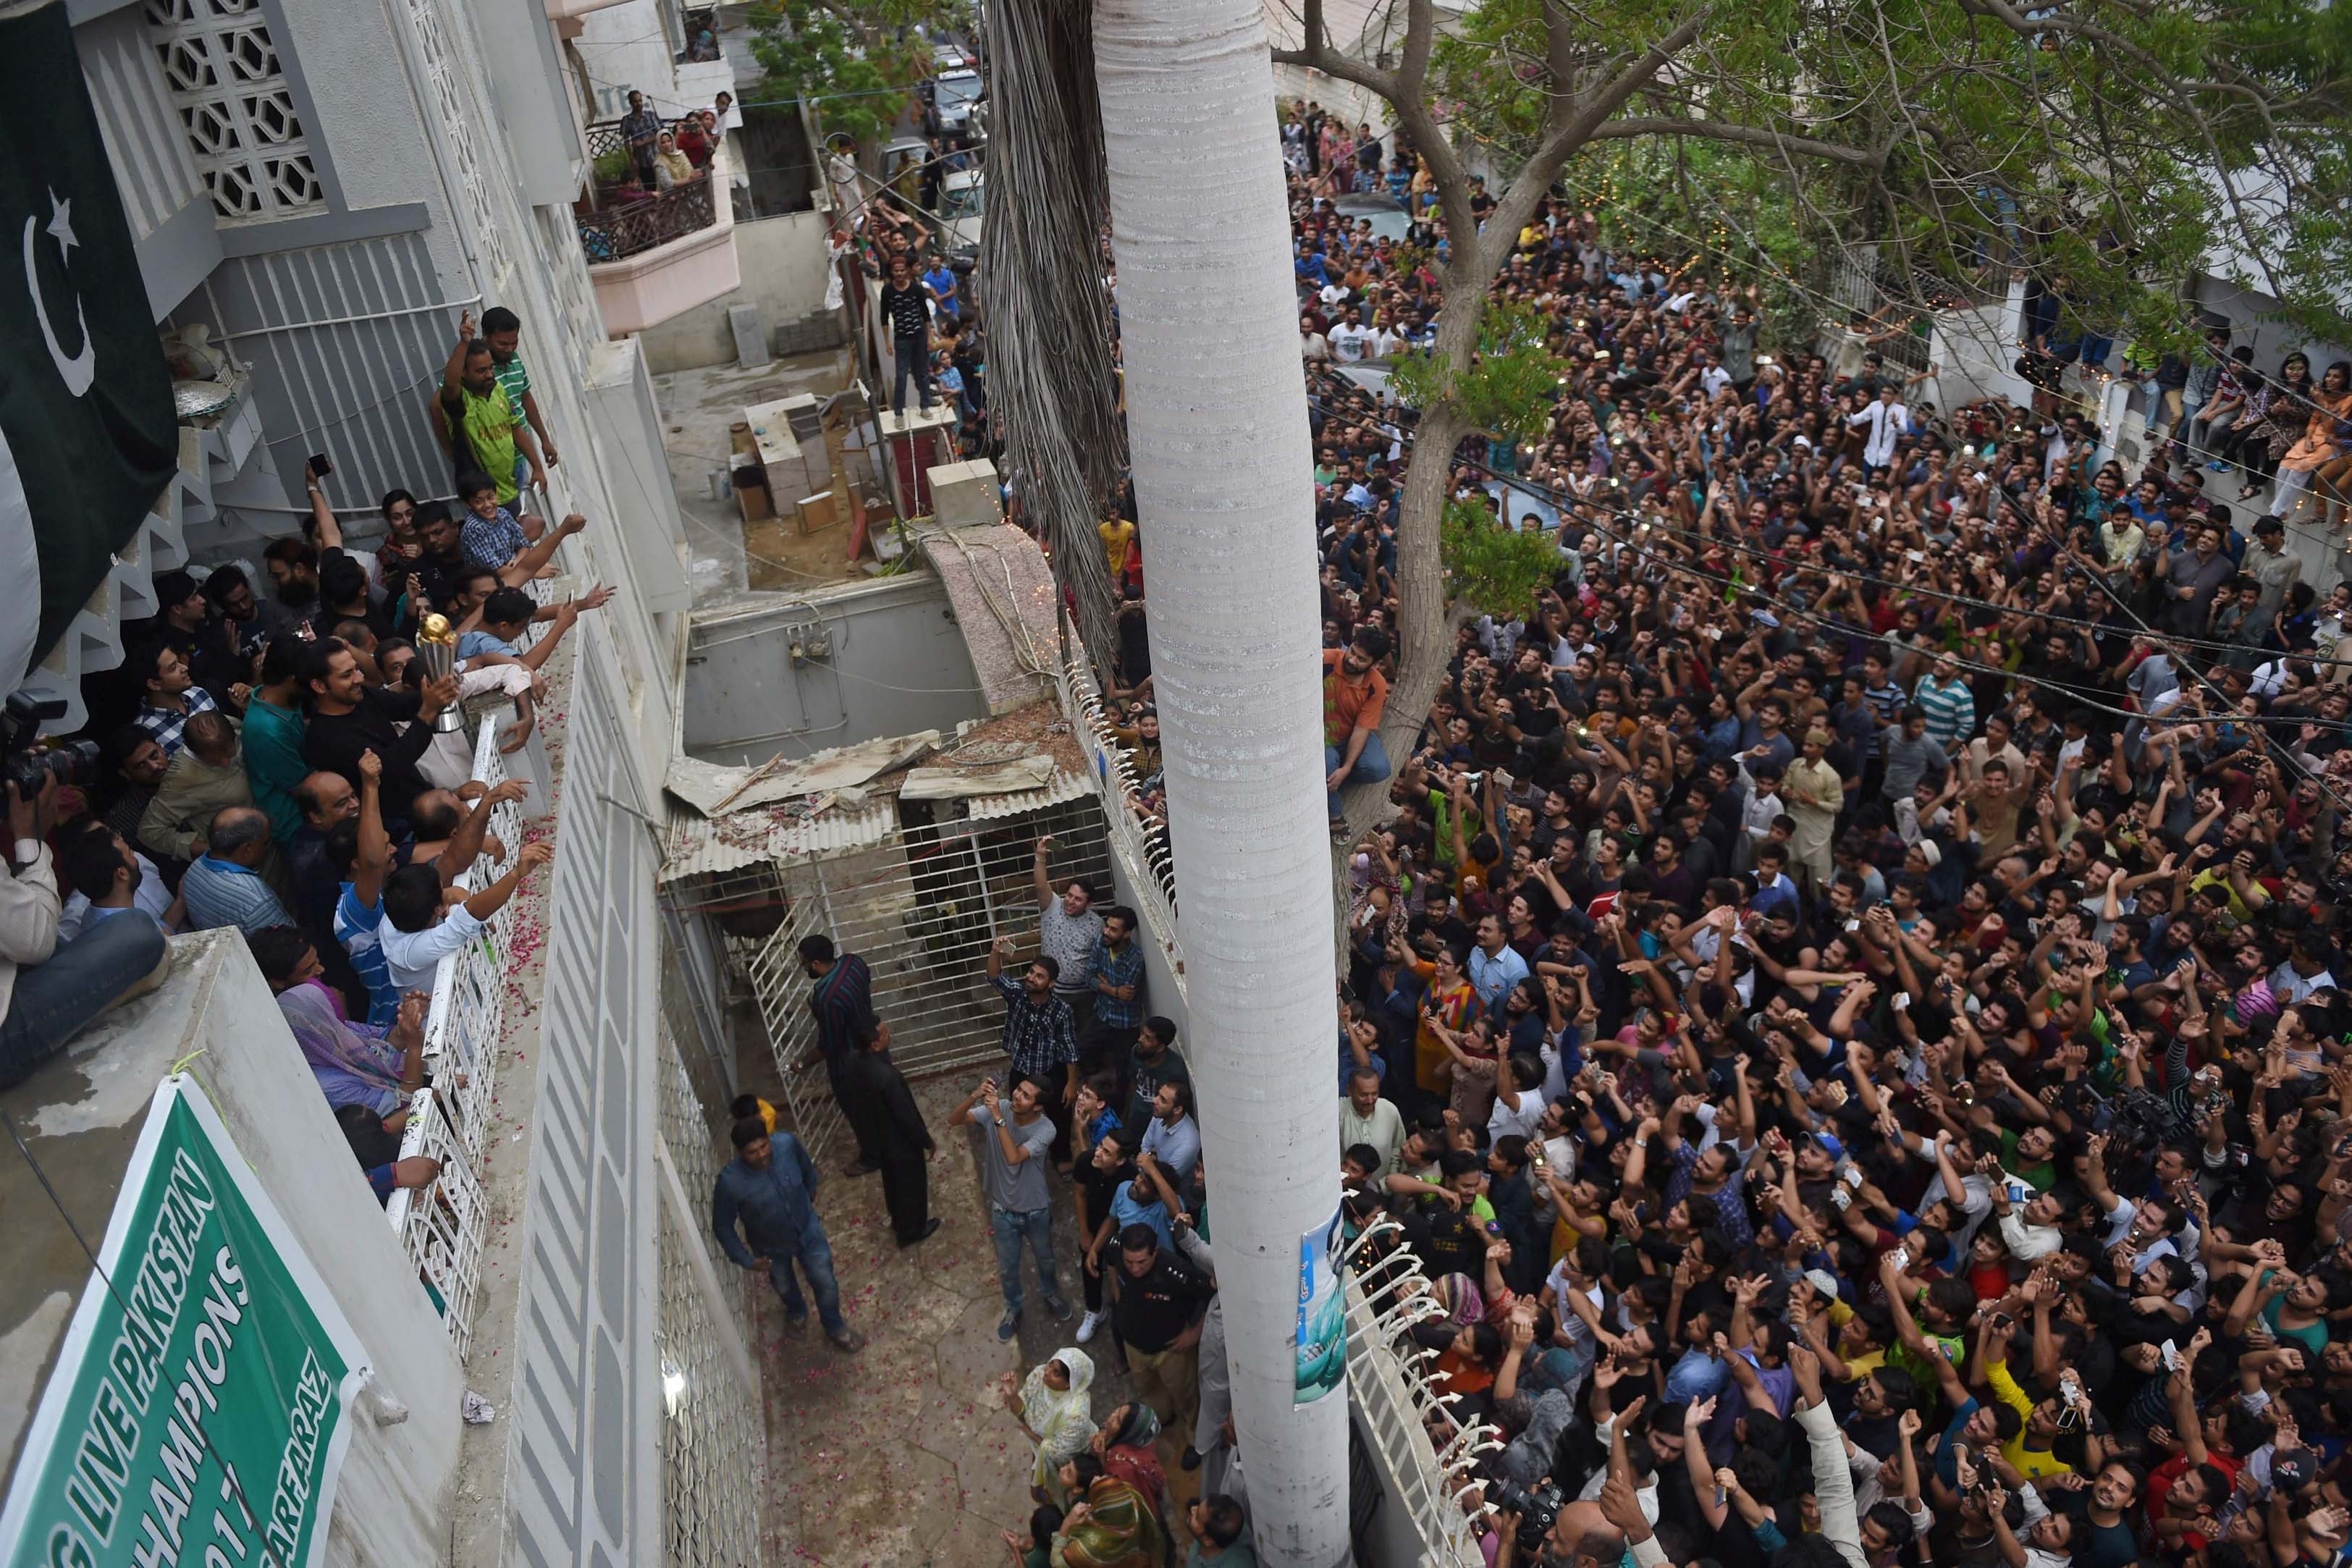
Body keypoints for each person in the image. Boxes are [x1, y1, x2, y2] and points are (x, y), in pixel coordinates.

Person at [0, 775, 170, 1091]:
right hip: (5, 1031)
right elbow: (36, 944)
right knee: (139, 931)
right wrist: (30, 838)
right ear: (121, 872)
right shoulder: (82, 915)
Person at [712, 1116, 863, 1353]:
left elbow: (807, 1169)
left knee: (826, 1282)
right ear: (740, 1153)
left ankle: (835, 1327)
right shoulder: (730, 1184)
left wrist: (810, 1192)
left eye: (764, 1146)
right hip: (770, 1248)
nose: (761, 1155)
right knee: (784, 1286)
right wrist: (747, 1260)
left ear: (770, 1140)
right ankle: (797, 1313)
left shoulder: (787, 1144)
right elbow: (722, 1226)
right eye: (752, 1152)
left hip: (808, 1234)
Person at [951, 1074, 1071, 1340]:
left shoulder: (1046, 1129)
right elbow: (954, 1120)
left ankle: (1050, 1293)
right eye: (1019, 1089)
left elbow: (1014, 1157)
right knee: (1007, 1267)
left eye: (1026, 1095)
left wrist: (998, 1119)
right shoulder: (1002, 1107)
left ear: (1038, 1106)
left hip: (1036, 1209)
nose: (1017, 1096)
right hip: (1002, 1210)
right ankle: (1013, 1309)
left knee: (1046, 1258)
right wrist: (974, 1095)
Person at [1107, 1221, 1210, 1458]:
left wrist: (1194, 1334)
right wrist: (1115, 1288)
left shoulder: (1175, 1271)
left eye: (1142, 1262)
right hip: (1133, 1345)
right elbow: (1110, 1260)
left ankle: (1195, 1437)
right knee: (1147, 1390)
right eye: (1129, 1262)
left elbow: (1210, 1295)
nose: (1134, 1269)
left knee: (1187, 1397)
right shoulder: (1116, 1250)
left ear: (1154, 1252)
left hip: (1171, 1349)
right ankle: (1161, 1417)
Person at [842, 1016, 939, 1246]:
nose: (890, 1035)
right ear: (875, 1044)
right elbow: (906, 1115)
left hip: (877, 1137)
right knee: (911, 1186)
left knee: (893, 1183)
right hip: (900, 1142)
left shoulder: (853, 1061)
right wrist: (926, 1141)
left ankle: (898, 1220)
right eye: (885, 1034)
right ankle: (911, 1231)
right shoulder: (888, 1077)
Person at [799, 932, 884, 1176]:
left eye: (805, 963)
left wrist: (802, 1063)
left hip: (850, 1061)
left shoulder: (826, 998)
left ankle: (871, 1157)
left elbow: (828, 1045)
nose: (805, 967)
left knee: (859, 1112)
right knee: (879, 1099)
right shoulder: (854, 962)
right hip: (873, 1040)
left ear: (815, 964)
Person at [995, 1349, 1095, 1504]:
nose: (1046, 1372)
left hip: (1068, 1464)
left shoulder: (1076, 1415)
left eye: (1056, 1373)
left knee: (1053, 1495)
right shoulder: (1039, 1375)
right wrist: (1012, 1395)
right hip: (1041, 1445)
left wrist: (1032, 1435)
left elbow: (1059, 1455)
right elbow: (1024, 1414)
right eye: (1050, 1365)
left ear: (1070, 1384)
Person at [179, 808, 294, 935]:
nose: (266, 849)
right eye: (265, 843)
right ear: (247, 849)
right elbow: (292, 946)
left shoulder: (195, 869)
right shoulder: (257, 901)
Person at [877, 253, 937, 416]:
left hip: (919, 336)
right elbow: (883, 318)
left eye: (902, 270)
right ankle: (899, 412)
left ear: (906, 271)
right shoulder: (887, 291)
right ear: (892, 272)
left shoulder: (916, 289)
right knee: (901, 376)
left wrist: (930, 337)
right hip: (901, 339)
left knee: (922, 373)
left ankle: (925, 406)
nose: (900, 274)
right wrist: (887, 342)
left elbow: (925, 314)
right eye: (896, 271)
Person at [617, 89, 662, 188]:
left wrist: (643, 142)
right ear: (630, 103)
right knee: (649, 186)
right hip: (641, 160)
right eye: (636, 102)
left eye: (640, 101)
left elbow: (660, 133)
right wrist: (632, 158)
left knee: (662, 183)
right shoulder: (627, 120)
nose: (639, 104)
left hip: (656, 156)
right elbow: (626, 141)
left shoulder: (650, 115)